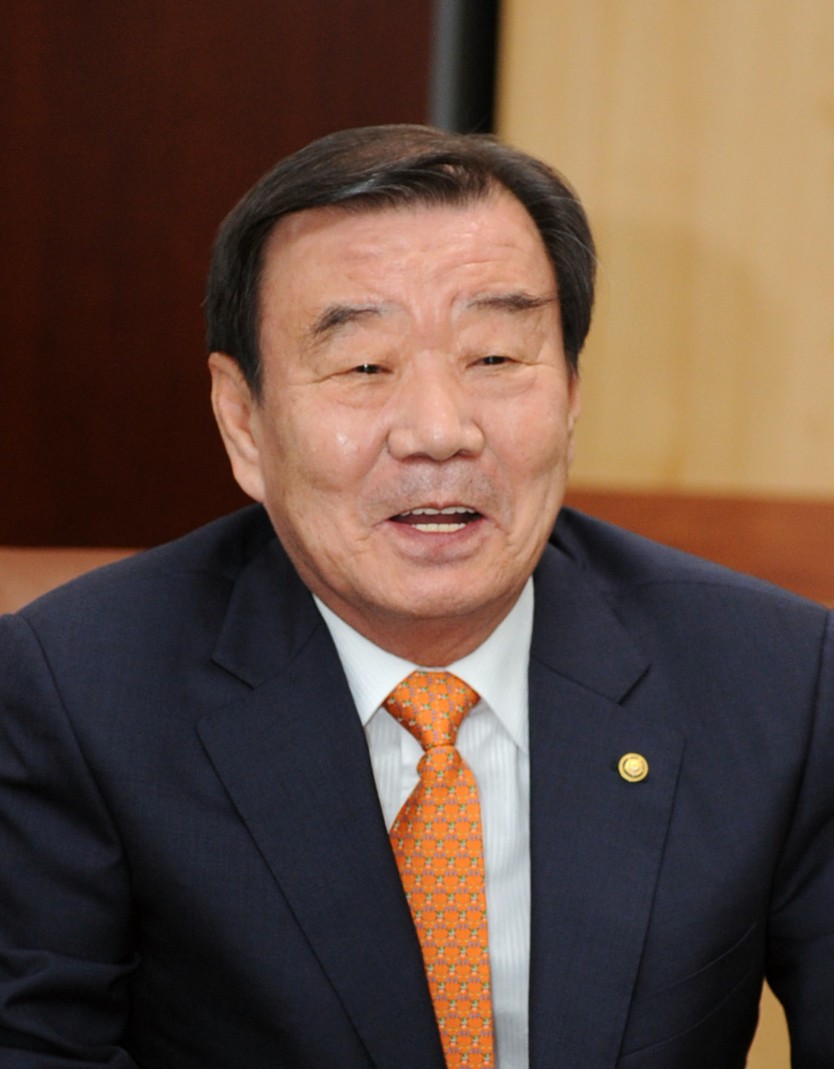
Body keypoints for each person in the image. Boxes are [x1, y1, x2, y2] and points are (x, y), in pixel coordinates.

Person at [0, 124, 832, 1069]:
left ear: (570, 394)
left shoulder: (775, 680)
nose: (440, 431)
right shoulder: (78, 696)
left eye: (496, 358)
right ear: (243, 421)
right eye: (365, 366)